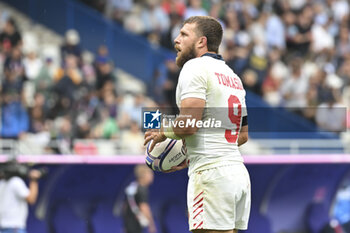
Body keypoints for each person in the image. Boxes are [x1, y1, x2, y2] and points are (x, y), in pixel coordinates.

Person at [144, 16, 250, 233]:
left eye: (183, 34)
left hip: (211, 176)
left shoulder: (194, 67)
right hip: (237, 174)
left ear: (201, 42)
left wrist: (164, 132)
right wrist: (190, 152)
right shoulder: (233, 77)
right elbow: (242, 135)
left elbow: (189, 124)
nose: (176, 40)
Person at [0, 165, 42, 233]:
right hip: (14, 227)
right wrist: (34, 179)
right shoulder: (15, 181)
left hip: (3, 226)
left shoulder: (1, 183)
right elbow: (31, 199)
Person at [122, 164, 157, 233]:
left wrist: (125, 225)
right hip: (136, 226)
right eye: (150, 173)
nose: (152, 176)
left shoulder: (131, 187)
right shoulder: (142, 189)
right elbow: (144, 207)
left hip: (128, 225)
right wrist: (151, 225)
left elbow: (125, 207)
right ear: (143, 175)